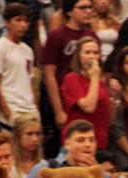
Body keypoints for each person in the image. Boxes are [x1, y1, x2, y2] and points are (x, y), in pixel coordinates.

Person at [42, 0, 98, 130]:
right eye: (83, 8)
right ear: (69, 11)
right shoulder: (57, 35)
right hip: (66, 98)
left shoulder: (91, 35)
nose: (88, 11)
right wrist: (58, 111)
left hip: (89, 95)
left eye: (90, 7)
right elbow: (49, 74)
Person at [25, 121, 98, 178]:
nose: (88, 144)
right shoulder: (44, 169)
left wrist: (96, 173)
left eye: (92, 140)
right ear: (67, 144)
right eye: (80, 140)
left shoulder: (101, 175)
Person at [0, 3, 38, 125]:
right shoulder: (0, 46)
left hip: (29, 108)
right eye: (18, 20)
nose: (23, 25)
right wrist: (6, 111)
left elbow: (29, 81)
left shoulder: (28, 50)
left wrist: (34, 105)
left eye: (26, 21)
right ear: (7, 23)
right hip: (12, 106)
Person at [61, 36, 110, 150]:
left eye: (95, 53)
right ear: (78, 56)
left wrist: (114, 98)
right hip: (78, 143)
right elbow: (89, 107)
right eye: (87, 52)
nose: (92, 56)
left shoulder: (100, 82)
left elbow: (108, 117)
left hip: (99, 142)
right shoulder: (71, 78)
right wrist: (94, 77)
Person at [9, 114, 43, 178]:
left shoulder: (44, 165)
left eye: (38, 134)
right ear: (18, 136)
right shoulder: (9, 165)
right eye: (29, 134)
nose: (35, 139)